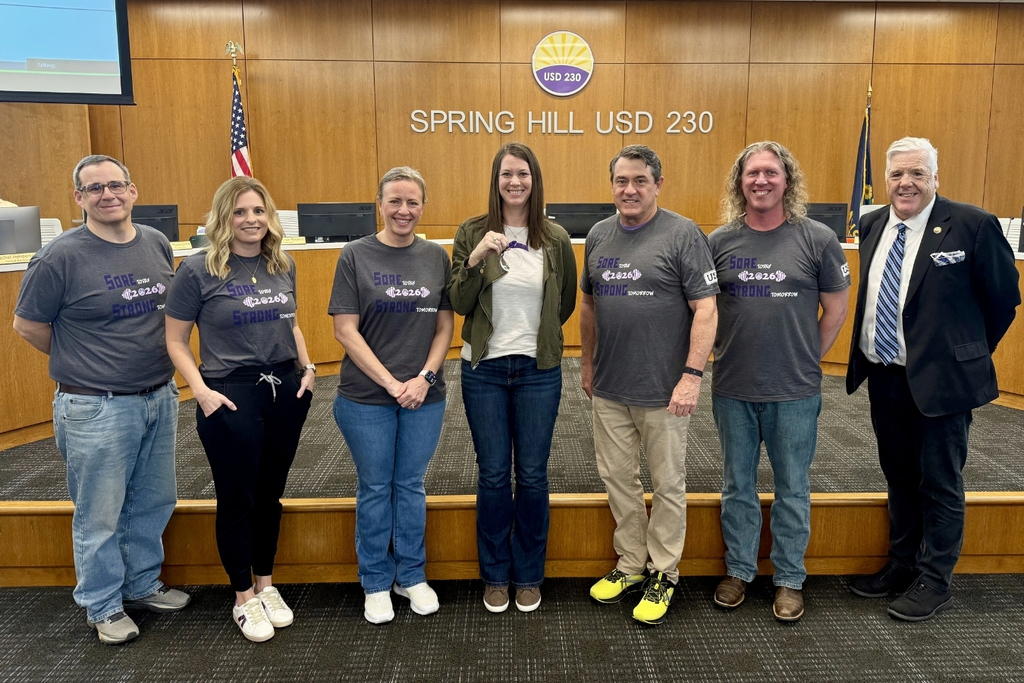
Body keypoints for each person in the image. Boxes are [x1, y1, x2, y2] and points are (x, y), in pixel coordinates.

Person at [12, 155, 189, 645]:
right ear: (79, 199)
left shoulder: (155, 242)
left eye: (116, 186)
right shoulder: (60, 257)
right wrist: (83, 361)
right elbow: (27, 324)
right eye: (95, 189)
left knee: (153, 499)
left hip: (158, 394)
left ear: (133, 191)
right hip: (96, 406)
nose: (107, 195)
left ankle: (140, 583)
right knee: (101, 512)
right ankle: (104, 604)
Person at [846, 137, 1020, 621]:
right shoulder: (873, 222)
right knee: (900, 477)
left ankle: (935, 579)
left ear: (935, 179)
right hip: (886, 377)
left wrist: (967, 353)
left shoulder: (973, 226)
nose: (907, 183)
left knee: (941, 482)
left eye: (918, 173)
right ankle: (902, 565)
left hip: (944, 384)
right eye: (898, 174)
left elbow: (1003, 300)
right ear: (886, 179)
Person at [164, 176, 315, 642]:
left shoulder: (282, 264)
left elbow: (290, 325)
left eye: (258, 211)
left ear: (269, 216)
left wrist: (308, 368)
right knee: (238, 497)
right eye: (240, 212)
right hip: (229, 391)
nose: (251, 220)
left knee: (270, 493)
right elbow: (174, 340)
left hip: (285, 388)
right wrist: (201, 392)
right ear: (223, 218)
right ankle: (243, 597)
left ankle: (267, 585)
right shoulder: (197, 270)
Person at [708, 141, 850, 622]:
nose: (761, 181)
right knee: (737, 486)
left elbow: (835, 308)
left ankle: (789, 579)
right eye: (752, 174)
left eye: (771, 173)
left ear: (787, 180)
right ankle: (740, 571)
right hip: (733, 387)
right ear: (740, 182)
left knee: (793, 487)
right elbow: (703, 311)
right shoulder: (719, 242)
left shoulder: (817, 239)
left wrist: (809, 358)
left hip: (794, 390)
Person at [581, 144, 719, 625]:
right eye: (622, 180)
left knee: (667, 483)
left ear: (658, 184)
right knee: (617, 479)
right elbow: (590, 306)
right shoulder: (598, 235)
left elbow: (706, 308)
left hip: (665, 390)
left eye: (640, 180)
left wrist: (692, 376)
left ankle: (664, 572)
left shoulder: (683, 235)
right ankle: (630, 564)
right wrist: (587, 364)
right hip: (611, 387)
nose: (630, 189)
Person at [448, 142, 578, 614]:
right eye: (506, 174)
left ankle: (528, 574)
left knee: (534, 474)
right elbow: (459, 302)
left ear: (534, 179)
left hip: (536, 371)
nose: (515, 182)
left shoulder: (556, 238)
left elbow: (562, 306)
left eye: (522, 174)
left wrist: (537, 341)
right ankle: (495, 574)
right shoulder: (471, 232)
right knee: (494, 474)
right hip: (483, 369)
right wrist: (477, 257)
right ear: (495, 180)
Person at [329, 167, 454, 625]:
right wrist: (391, 383)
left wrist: (423, 377)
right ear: (379, 204)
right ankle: (377, 581)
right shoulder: (355, 255)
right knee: (376, 487)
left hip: (425, 394)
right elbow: (345, 330)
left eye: (413, 202)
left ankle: (412, 575)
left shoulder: (437, 256)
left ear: (423, 206)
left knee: (410, 486)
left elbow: (444, 327)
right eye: (395, 201)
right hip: (366, 397)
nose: (404, 210)